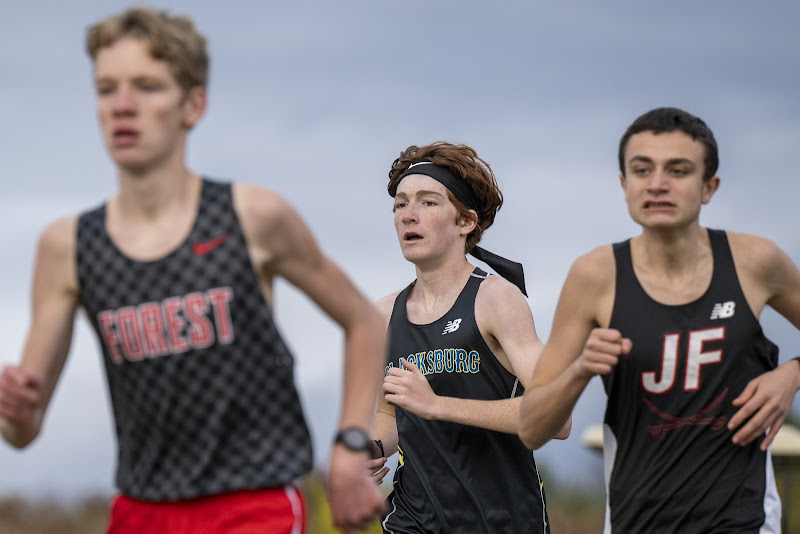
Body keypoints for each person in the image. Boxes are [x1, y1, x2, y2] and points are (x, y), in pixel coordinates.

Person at [0, 8, 385, 534]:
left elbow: (364, 322)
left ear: (193, 104)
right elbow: (23, 429)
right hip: (140, 510)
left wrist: (349, 446)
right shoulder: (67, 246)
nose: (123, 106)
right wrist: (14, 409)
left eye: (147, 86)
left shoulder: (252, 217)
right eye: (106, 88)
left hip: (254, 504)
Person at [519, 107, 800, 532]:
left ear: (710, 187)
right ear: (624, 184)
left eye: (678, 170)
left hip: (743, 521)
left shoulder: (756, 262)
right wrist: (580, 371)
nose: (657, 184)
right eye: (642, 169)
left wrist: (791, 375)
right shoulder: (594, 276)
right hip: (638, 523)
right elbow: (532, 428)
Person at [368, 141, 570, 533]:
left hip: (504, 519)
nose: (409, 215)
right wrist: (370, 450)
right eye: (400, 205)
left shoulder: (496, 299)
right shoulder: (383, 314)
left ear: (466, 222)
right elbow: (390, 413)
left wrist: (437, 405)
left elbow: (557, 418)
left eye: (428, 203)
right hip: (412, 520)